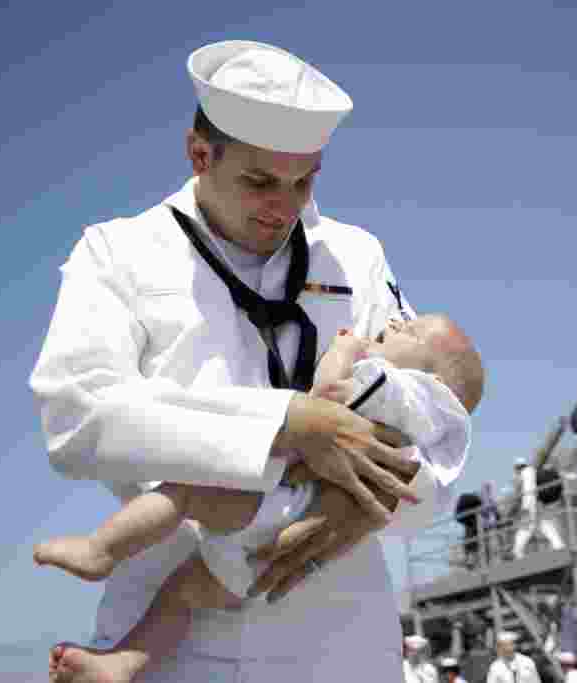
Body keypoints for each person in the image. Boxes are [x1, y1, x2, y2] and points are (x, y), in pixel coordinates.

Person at [29, 40, 477, 682]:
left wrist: (365, 507)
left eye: (305, 180)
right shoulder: (117, 254)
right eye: (260, 181)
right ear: (199, 154)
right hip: (176, 626)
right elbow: (78, 413)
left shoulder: (356, 255)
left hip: (342, 633)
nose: (285, 205)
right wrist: (286, 423)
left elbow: (437, 413)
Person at [35, 320, 480, 682]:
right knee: (185, 594)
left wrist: (342, 353)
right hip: (282, 562)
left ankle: (102, 553)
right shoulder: (434, 430)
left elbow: (326, 400)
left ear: (434, 381)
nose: (395, 321)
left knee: (187, 491)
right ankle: (121, 662)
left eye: (410, 331)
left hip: (281, 504)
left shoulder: (397, 389)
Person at [512, 458, 565, 558]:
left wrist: (526, 508)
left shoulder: (526, 473)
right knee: (544, 523)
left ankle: (517, 550)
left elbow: (529, 492)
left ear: (517, 468)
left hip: (533, 503)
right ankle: (558, 545)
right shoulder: (533, 471)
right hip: (546, 501)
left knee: (527, 526)